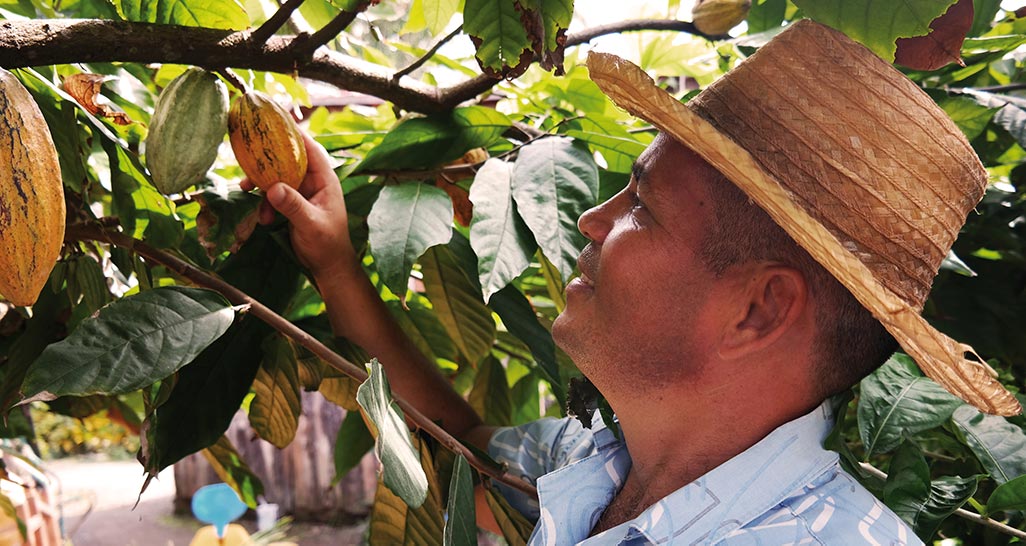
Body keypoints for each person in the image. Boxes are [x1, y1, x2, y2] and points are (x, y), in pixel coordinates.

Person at [245, 19, 1019, 545]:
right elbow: (461, 447)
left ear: (757, 309)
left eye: (642, 206)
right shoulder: (593, 466)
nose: (591, 219)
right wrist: (338, 265)